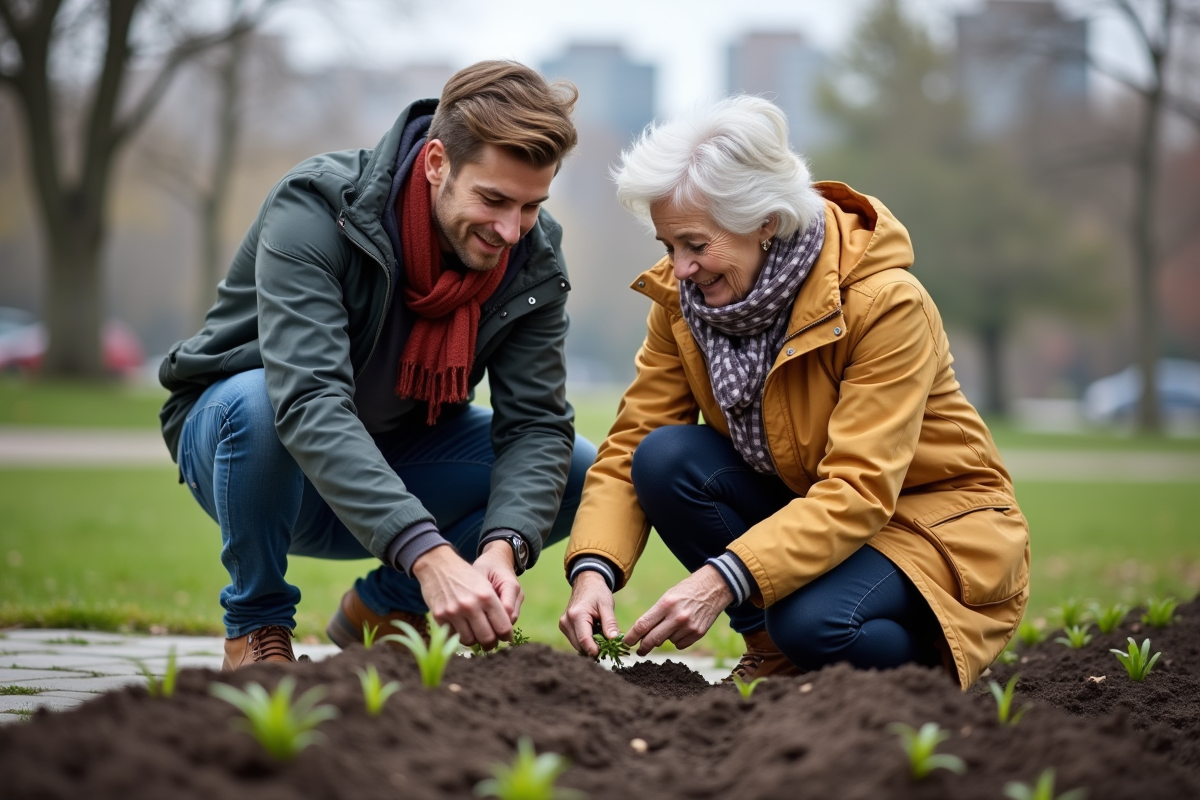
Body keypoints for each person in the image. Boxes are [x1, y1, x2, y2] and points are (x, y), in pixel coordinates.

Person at [560, 96, 1029, 689]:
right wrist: (594, 567)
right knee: (666, 457)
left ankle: (918, 675)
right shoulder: (685, 307)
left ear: (765, 220)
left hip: (933, 527)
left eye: (696, 246)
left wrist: (721, 578)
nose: (679, 269)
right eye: (667, 246)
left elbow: (859, 488)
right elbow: (633, 445)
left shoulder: (886, 304)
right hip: (814, 509)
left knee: (815, 625)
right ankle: (774, 651)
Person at [159, 61, 595, 671]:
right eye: (494, 199)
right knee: (258, 402)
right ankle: (257, 630)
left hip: (398, 455)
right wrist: (429, 554)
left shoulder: (533, 256)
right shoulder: (316, 207)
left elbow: (535, 427)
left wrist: (501, 547)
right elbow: (308, 402)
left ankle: (388, 608)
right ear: (438, 162)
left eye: (529, 206)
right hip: (250, 457)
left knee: (577, 468)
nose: (509, 230)